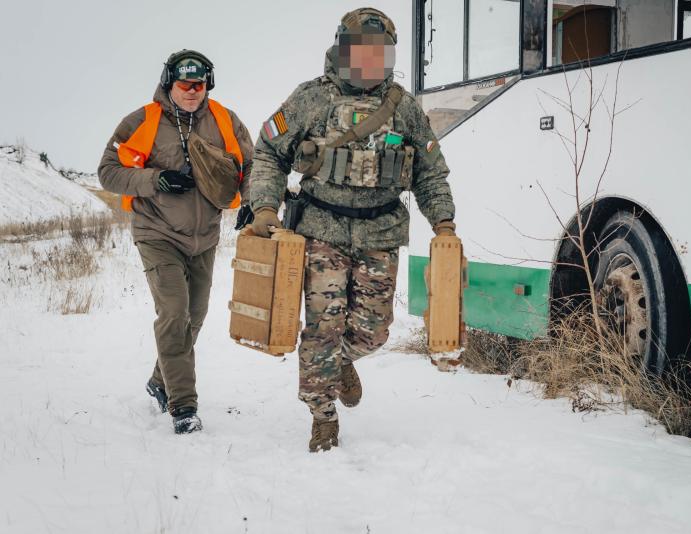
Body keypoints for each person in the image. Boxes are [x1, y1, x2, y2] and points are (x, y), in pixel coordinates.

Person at [248, 8, 457, 452]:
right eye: (361, 52)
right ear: (342, 50)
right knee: (323, 328)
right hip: (321, 229)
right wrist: (264, 207)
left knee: (373, 331)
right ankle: (322, 417)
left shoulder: (403, 107)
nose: (369, 62)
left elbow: (430, 172)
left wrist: (443, 223)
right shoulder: (310, 99)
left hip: (381, 233)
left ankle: (339, 363)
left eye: (379, 54)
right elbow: (268, 152)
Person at [98, 50, 254, 434]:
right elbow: (108, 172)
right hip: (157, 234)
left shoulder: (225, 120)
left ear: (208, 84)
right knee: (174, 312)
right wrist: (155, 180)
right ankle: (183, 406)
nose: (191, 91)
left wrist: (253, 201)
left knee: (194, 317)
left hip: (204, 238)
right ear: (170, 81)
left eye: (198, 84)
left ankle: (159, 380)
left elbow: (252, 164)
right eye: (184, 84)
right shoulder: (142, 121)